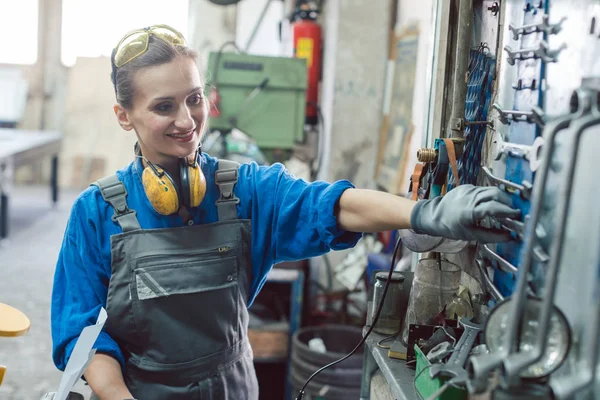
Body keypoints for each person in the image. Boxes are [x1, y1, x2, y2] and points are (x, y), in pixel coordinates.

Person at [51, 24, 520, 400]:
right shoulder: (96, 212)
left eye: (194, 99)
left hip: (231, 388)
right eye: (163, 107)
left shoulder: (244, 191)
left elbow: (331, 205)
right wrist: (115, 394)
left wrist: (423, 214)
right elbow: (81, 332)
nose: (186, 120)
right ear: (123, 114)